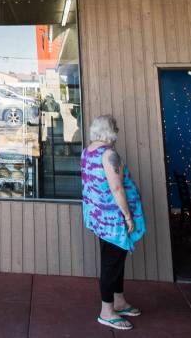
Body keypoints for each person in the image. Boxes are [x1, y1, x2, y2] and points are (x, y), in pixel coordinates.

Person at [81, 114, 146, 331]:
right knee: (111, 264)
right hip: (113, 220)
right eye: (116, 129)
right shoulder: (109, 154)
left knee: (115, 261)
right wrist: (128, 216)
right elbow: (117, 188)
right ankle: (106, 312)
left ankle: (119, 301)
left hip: (98, 216)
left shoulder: (87, 151)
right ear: (111, 131)